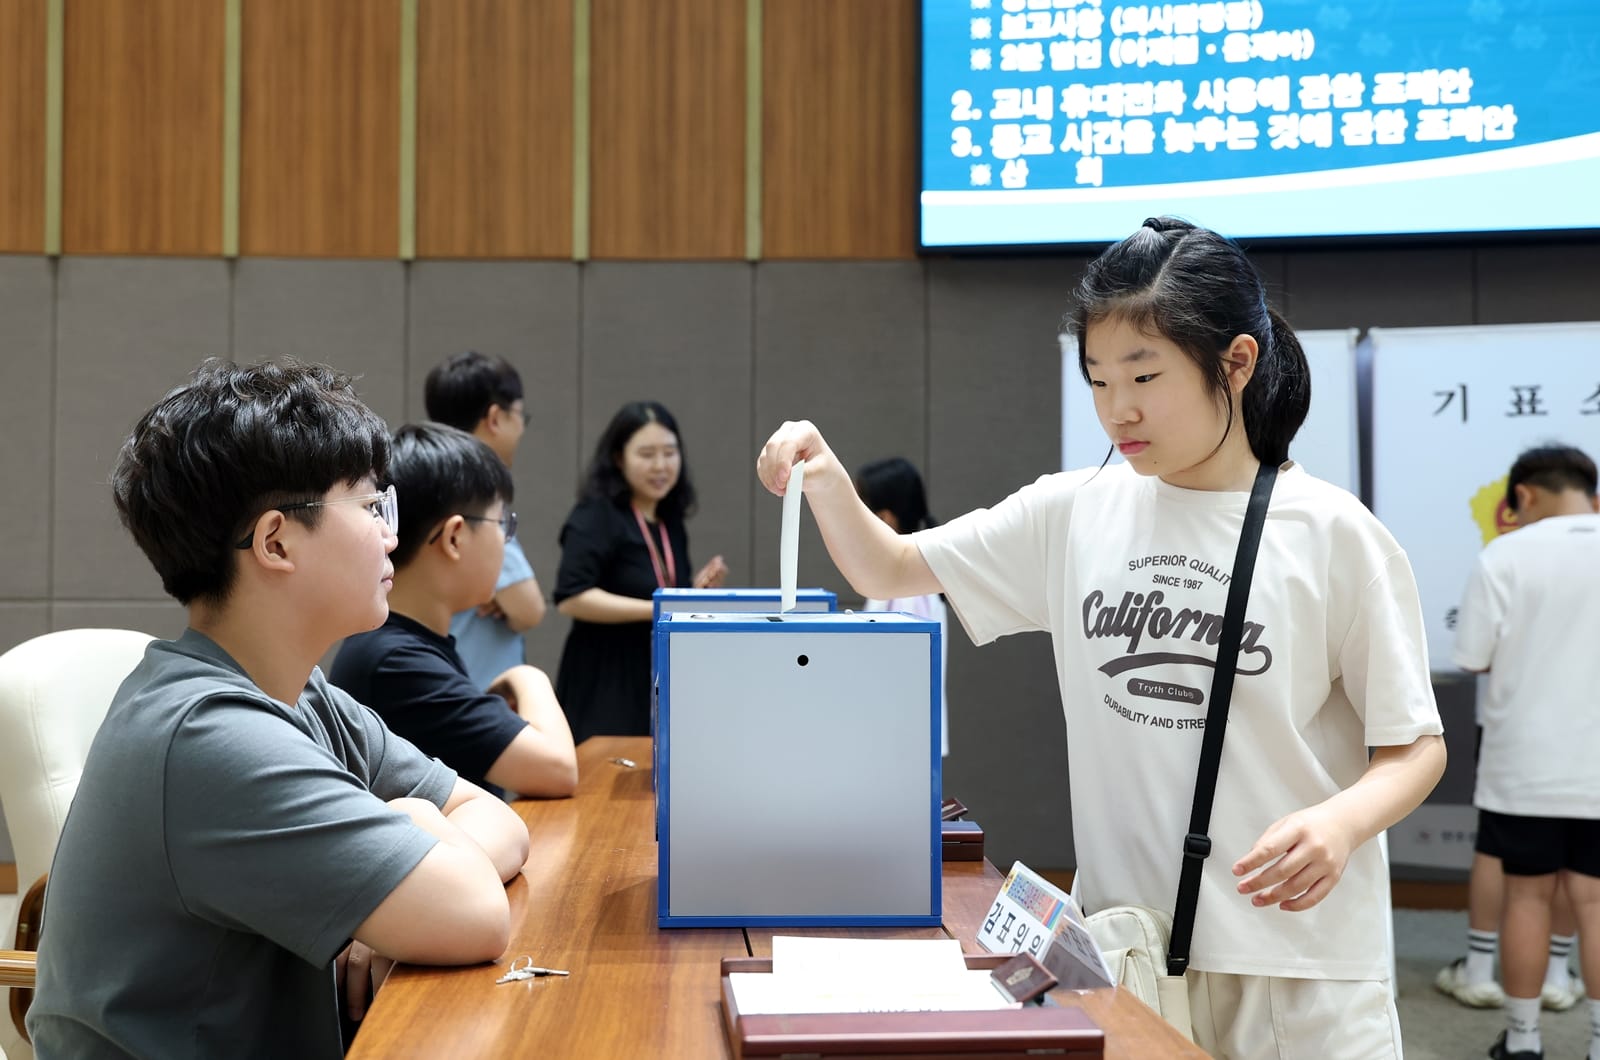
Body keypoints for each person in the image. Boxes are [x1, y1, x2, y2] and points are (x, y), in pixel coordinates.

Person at [756, 217, 1447, 1060]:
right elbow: (890, 567)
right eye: (1096, 379)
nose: (1118, 408)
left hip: (1301, 967)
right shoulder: (1074, 510)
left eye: (1144, 375)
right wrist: (824, 473)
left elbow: (1414, 747)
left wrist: (1340, 824)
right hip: (1131, 952)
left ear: (1236, 361)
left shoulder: (1338, 536)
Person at [27, 359, 529, 1059]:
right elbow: (475, 913)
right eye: (369, 506)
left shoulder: (300, 692)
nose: (391, 533)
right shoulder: (210, 736)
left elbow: (497, 820)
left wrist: (405, 865)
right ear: (276, 542)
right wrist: (412, 824)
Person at [331, 423, 578, 800]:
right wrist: (528, 677)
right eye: (502, 524)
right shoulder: (396, 663)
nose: (505, 541)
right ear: (455, 537)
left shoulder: (399, 646)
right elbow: (558, 770)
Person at [1450, 444, 1600, 1060]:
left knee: (1527, 896)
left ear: (1525, 497)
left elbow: (1472, 657)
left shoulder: (1505, 554)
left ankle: (1522, 1040)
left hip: (1525, 767)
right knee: (1595, 900)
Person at [553, 401, 727, 740]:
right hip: (605, 673)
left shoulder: (669, 519)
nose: (660, 465)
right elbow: (571, 597)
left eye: (670, 452)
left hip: (659, 667)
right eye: (646, 454)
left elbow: (656, 588)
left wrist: (691, 596)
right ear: (619, 458)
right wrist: (662, 608)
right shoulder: (596, 515)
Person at [424, 351, 547, 689]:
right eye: (520, 415)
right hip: (472, 688)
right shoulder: (474, 492)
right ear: (495, 418)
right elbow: (528, 609)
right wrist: (486, 593)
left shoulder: (427, 480)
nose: (521, 427)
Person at [855, 457, 951, 758]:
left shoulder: (911, 592)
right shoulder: (904, 580)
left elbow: (904, 680)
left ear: (885, 518)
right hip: (894, 739)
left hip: (899, 744)